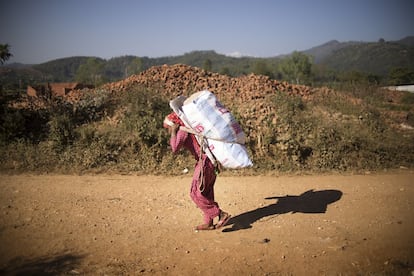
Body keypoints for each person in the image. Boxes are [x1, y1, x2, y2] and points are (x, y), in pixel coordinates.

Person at [163, 112, 231, 231]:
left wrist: (174, 132)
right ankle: (208, 222)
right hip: (211, 162)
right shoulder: (192, 128)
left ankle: (220, 214)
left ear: (173, 124)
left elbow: (174, 148)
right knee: (206, 191)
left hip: (204, 162)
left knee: (195, 192)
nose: (168, 131)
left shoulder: (183, 131)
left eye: (168, 128)